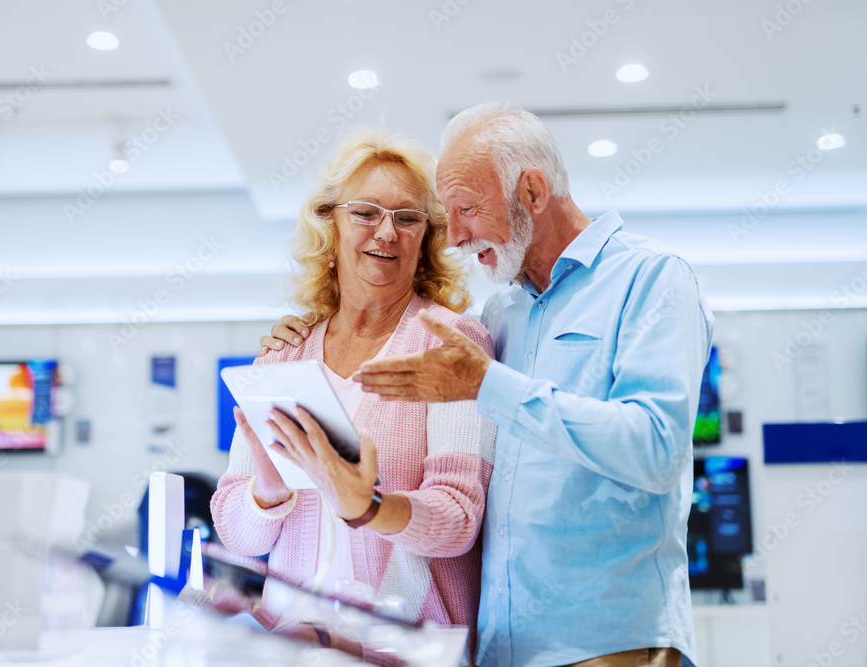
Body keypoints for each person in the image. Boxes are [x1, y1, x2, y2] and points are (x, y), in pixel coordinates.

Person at [260, 102, 714, 667]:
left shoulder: (651, 279)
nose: (455, 239)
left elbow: (657, 449)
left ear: (530, 190)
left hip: (609, 642)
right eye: (448, 216)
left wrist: (485, 384)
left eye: (468, 210)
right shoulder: (503, 314)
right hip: (502, 648)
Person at [213, 129, 496, 665]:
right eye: (365, 212)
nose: (386, 231)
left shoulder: (451, 346)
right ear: (331, 224)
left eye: (408, 217)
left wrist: (368, 506)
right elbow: (236, 530)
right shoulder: (283, 354)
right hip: (289, 643)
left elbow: (459, 520)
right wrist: (265, 494)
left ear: (426, 238)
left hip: (402, 646)